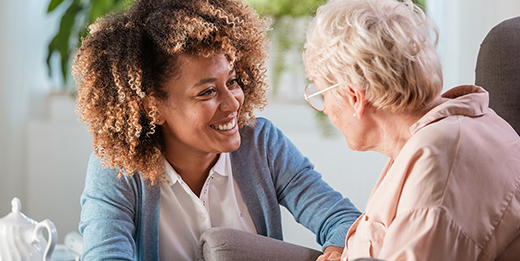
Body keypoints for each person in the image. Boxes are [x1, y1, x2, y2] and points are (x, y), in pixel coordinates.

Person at [73, 0, 361, 260]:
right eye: (207, 91)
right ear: (153, 108)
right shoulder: (117, 169)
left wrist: (336, 252)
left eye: (233, 81)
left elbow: (344, 221)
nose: (232, 102)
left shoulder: (262, 144)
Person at [303, 0, 520, 260]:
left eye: (321, 93)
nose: (325, 109)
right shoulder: (435, 135)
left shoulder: (437, 160)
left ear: (355, 97)